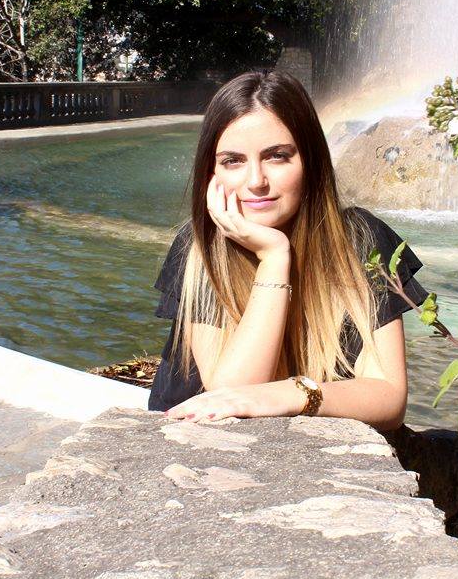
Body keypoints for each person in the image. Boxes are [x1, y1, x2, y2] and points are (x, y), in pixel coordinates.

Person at [148, 70, 429, 432]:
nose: (256, 182)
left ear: (310, 160)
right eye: (233, 161)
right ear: (211, 172)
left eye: (277, 156)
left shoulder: (361, 240)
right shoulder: (199, 247)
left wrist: (296, 393)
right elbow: (234, 391)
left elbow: (389, 397)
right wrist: (275, 257)